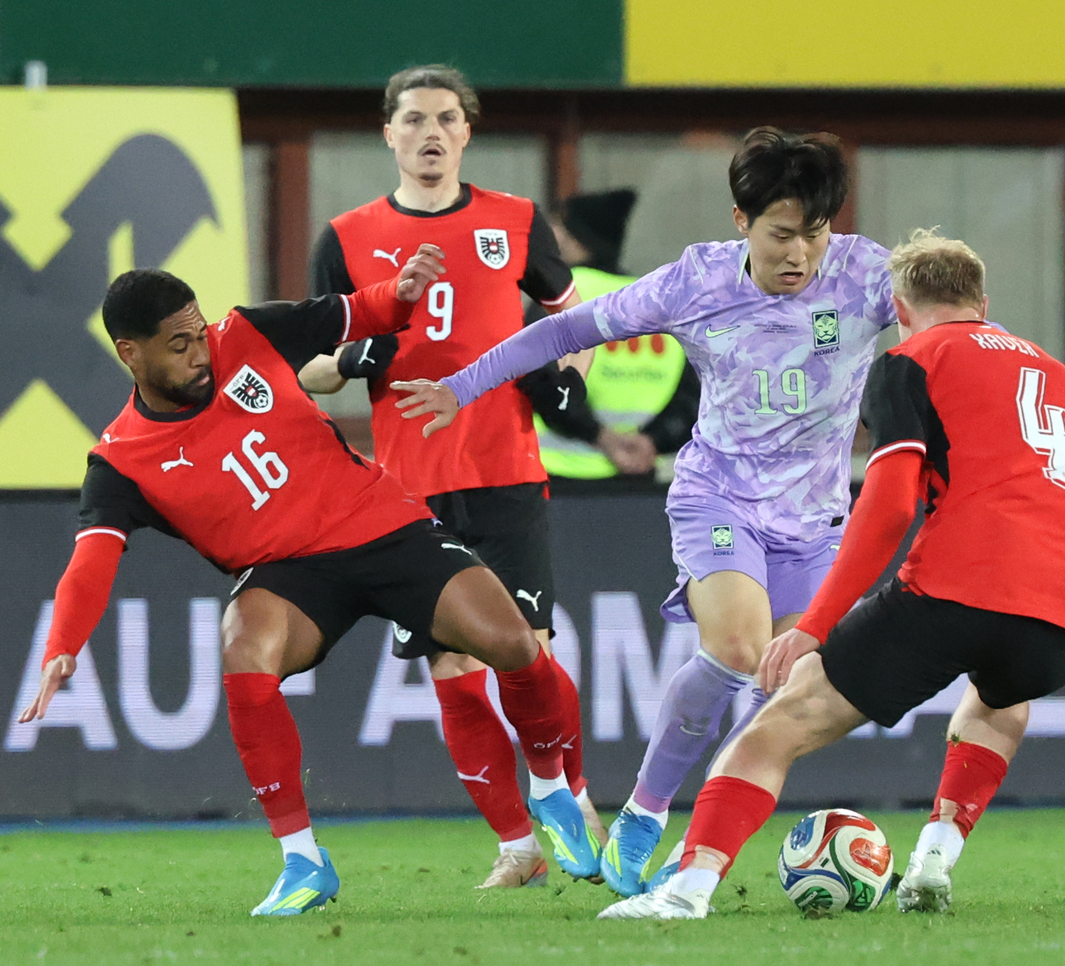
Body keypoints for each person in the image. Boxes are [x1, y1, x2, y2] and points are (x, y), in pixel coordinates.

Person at [594, 231, 1065, 920]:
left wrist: (815, 627)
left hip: (953, 593)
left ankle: (685, 892)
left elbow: (891, 501)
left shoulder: (910, 362)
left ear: (900, 308)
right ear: (983, 303)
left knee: (771, 733)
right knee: (1000, 700)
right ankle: (933, 856)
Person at [17, 248, 600, 917]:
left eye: (199, 334)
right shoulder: (119, 460)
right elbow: (90, 560)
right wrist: (64, 642)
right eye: (178, 346)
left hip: (380, 525)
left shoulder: (245, 335)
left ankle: (551, 786)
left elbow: (353, 313)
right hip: (288, 574)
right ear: (130, 353)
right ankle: (302, 860)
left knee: (516, 646)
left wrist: (402, 294)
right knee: (242, 646)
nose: (200, 355)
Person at [392, 127, 898, 896]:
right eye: (782, 234)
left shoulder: (867, 275)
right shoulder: (697, 281)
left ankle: (694, 855)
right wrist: (460, 386)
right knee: (735, 646)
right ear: (741, 222)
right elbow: (566, 327)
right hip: (719, 495)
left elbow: (949, 321)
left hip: (818, 522)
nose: (801, 253)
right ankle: (645, 812)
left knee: (778, 695)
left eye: (816, 233)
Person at [300, 65, 604, 888]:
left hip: (504, 470)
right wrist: (345, 360)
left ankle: (568, 798)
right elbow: (309, 374)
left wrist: (565, 374)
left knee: (527, 657)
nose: (430, 133)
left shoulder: (514, 221)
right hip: (408, 489)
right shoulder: (346, 235)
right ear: (388, 134)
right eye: (414, 120)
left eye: (446, 119)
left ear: (468, 133)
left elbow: (575, 319)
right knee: (453, 673)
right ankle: (518, 845)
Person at [536, 189, 701, 482]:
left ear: (578, 237)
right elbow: (693, 396)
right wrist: (652, 441)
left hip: (560, 476)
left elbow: (541, 380)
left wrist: (601, 437)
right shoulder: (657, 302)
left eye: (561, 226)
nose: (554, 235)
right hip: (636, 479)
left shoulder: (559, 296)